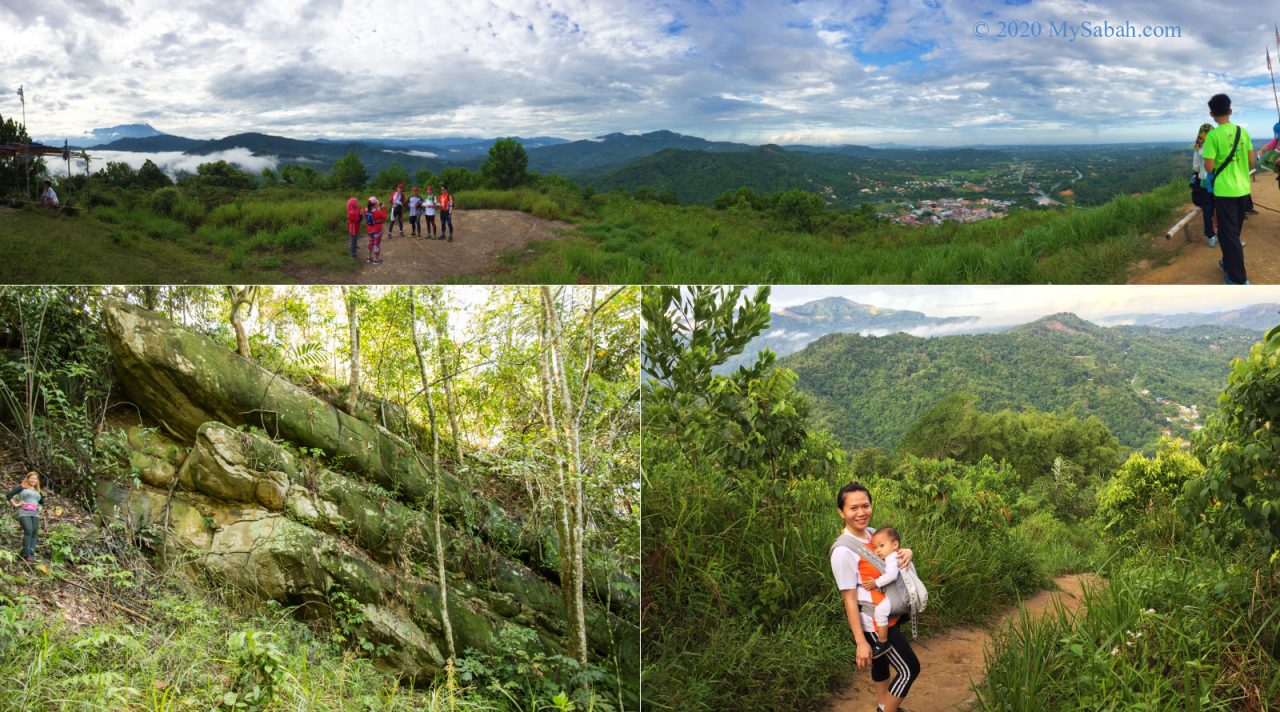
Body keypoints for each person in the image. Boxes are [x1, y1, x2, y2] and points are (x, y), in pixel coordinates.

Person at [831, 482, 920, 712]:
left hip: (889, 614)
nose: (861, 512)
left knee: (881, 664)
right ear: (841, 512)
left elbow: (891, 554)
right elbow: (849, 600)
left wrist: (907, 551)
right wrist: (861, 642)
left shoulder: (872, 535)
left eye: (865, 506)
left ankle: (884, 703)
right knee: (910, 669)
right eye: (853, 508)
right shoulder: (843, 551)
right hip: (873, 622)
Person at [1202, 94, 1254, 285]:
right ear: (1230, 111)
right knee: (1233, 232)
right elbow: (1250, 162)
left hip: (1224, 191)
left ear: (1211, 114)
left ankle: (1238, 278)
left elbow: (1208, 167)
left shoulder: (1213, 136)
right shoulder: (1243, 132)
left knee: (1228, 234)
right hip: (1243, 189)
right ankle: (1228, 262)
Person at [864, 527, 904, 659]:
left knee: (880, 612)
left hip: (899, 595)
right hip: (901, 593)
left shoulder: (892, 558)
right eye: (875, 547)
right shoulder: (895, 555)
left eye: (882, 546)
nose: (878, 550)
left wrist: (876, 583)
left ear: (895, 545)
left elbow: (892, 575)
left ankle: (882, 641)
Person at [7, 471, 43, 561]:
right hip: (24, 512)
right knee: (28, 531)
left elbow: (42, 503)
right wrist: (16, 504)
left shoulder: (38, 491)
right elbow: (9, 494)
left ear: (37, 481)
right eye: (31, 478)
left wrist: (40, 508)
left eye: (35, 479)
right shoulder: (22, 487)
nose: (33, 480)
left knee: (34, 533)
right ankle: (26, 555)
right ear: (28, 478)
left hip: (35, 514)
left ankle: (32, 553)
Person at [1191, 124, 1217, 247]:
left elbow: (1195, 167)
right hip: (1216, 182)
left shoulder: (1198, 147)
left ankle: (1210, 237)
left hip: (1203, 183)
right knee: (1220, 208)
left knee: (1207, 210)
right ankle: (1220, 232)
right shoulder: (1214, 145)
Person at [365, 196, 386, 265]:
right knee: (376, 244)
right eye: (377, 202)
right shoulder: (376, 211)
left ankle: (369, 258)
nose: (378, 203)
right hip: (377, 230)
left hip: (369, 229)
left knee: (370, 242)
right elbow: (384, 217)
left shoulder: (365, 210)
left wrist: (377, 208)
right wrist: (383, 208)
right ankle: (376, 260)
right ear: (374, 204)